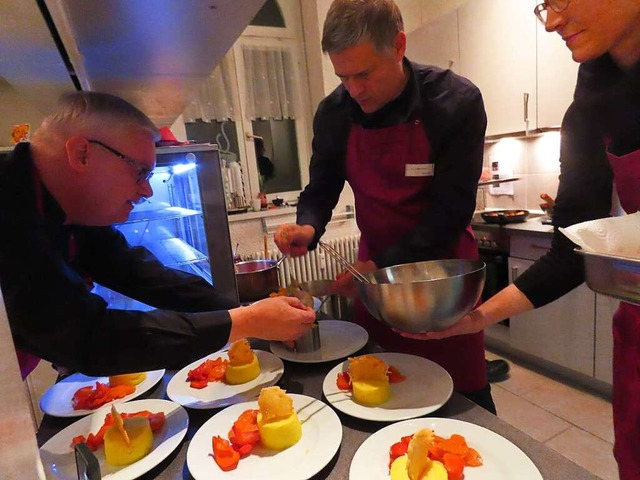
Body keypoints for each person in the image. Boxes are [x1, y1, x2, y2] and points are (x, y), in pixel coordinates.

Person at [400, 1, 640, 478]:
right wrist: (476, 320)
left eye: (563, 0)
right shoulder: (592, 107)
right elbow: (573, 251)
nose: (551, 21)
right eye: (544, 5)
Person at [275, 0, 496, 412]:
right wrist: (308, 226)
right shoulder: (335, 113)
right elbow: (322, 185)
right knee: (380, 384)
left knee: (463, 394)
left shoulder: (454, 102)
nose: (354, 90)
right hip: (374, 272)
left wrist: (385, 266)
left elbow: (452, 208)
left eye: (363, 73)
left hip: (442, 277)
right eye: (343, 76)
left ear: (398, 45)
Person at [0, 91, 315, 380]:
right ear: (82, 153)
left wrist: (244, 313)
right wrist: (245, 323)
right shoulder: (8, 212)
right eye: (140, 172)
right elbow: (90, 337)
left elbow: (140, 274)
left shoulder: (65, 206)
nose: (147, 190)